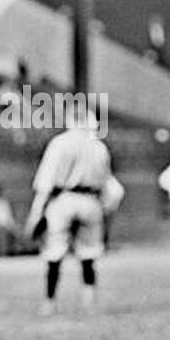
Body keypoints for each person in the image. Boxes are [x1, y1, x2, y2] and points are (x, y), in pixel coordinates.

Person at [24, 110, 123, 315]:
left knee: (54, 252)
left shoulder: (60, 143)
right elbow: (109, 184)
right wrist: (105, 208)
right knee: (89, 253)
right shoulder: (99, 147)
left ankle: (49, 302)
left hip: (63, 199)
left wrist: (36, 212)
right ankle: (89, 301)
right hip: (91, 201)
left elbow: (46, 181)